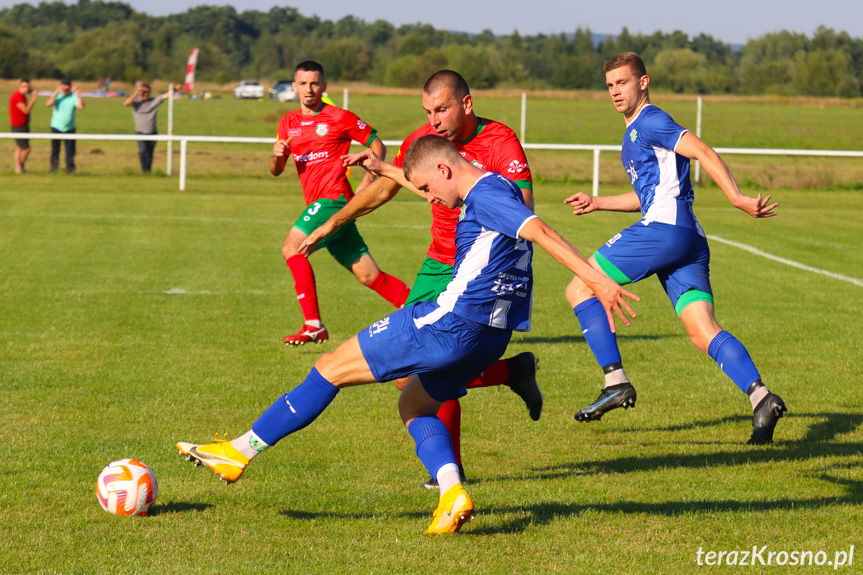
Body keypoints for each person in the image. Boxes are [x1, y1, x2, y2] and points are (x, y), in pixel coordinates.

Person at [177, 135, 640, 534]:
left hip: (450, 322)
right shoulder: (494, 188)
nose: (430, 199)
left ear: (444, 168)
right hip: (491, 336)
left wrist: (597, 281)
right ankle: (453, 493)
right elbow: (452, 193)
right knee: (414, 404)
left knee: (329, 367)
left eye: (427, 187)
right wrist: (387, 169)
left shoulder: (486, 196)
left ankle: (238, 452)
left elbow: (541, 230)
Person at [301, 70, 541, 489]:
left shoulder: (500, 141)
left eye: (442, 109)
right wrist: (336, 221)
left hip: (479, 270)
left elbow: (524, 208)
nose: (434, 121)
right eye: (428, 111)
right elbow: (384, 187)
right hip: (438, 264)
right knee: (407, 372)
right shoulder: (422, 142)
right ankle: (509, 374)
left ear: (466, 104)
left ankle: (451, 471)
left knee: (428, 366)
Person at [563, 52, 786, 444]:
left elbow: (702, 151)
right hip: (688, 239)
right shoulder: (632, 134)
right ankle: (762, 398)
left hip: (665, 230)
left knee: (580, 286)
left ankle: (615, 381)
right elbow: (645, 197)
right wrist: (598, 201)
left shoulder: (652, 120)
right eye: (610, 85)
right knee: (703, 332)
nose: (615, 91)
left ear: (643, 83)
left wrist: (735, 197)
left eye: (623, 83)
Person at [270, 61, 410, 345]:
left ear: (324, 86)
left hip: (334, 200)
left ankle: (313, 325)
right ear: (294, 87)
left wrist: (369, 180)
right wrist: (276, 154)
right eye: (303, 83)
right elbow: (276, 169)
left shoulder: (339, 117)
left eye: (314, 83)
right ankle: (426, 313)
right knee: (369, 275)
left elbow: (376, 144)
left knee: (291, 248)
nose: (309, 89)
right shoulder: (288, 123)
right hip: (324, 204)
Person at [124, 83, 170, 174]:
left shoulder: (153, 101)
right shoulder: (136, 102)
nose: (145, 93)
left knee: (150, 153)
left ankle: (148, 171)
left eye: (147, 92)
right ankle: (144, 169)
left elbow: (166, 96)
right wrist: (136, 93)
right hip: (140, 131)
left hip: (152, 131)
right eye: (143, 91)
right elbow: (126, 103)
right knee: (143, 151)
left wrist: (175, 89)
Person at [45, 78, 84, 174]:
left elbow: (80, 107)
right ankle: (54, 167)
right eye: (64, 86)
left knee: (70, 151)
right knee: (55, 149)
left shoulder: (73, 97)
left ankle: (70, 169)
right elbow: (48, 104)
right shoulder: (57, 96)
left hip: (69, 128)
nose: (66, 89)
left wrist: (78, 95)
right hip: (56, 127)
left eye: (68, 87)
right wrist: (55, 93)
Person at [9, 78, 37, 174]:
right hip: (18, 126)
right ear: (19, 87)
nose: (26, 89)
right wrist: (34, 98)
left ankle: (19, 168)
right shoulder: (18, 96)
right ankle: (20, 167)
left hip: (23, 125)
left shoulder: (22, 96)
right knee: (26, 149)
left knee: (20, 147)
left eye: (28, 87)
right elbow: (25, 110)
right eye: (24, 87)